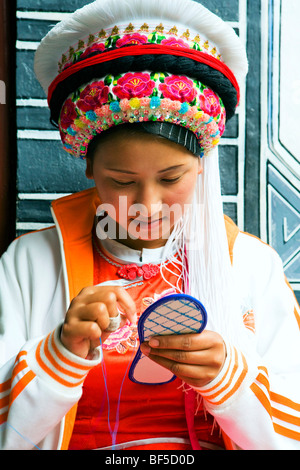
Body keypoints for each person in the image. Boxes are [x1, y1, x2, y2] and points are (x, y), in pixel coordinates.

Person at [0, 0, 299, 451]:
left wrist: (228, 379)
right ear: (89, 170)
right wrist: (60, 350)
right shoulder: (28, 263)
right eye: (121, 181)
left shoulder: (254, 265)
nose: (146, 204)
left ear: (201, 167)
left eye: (171, 178)